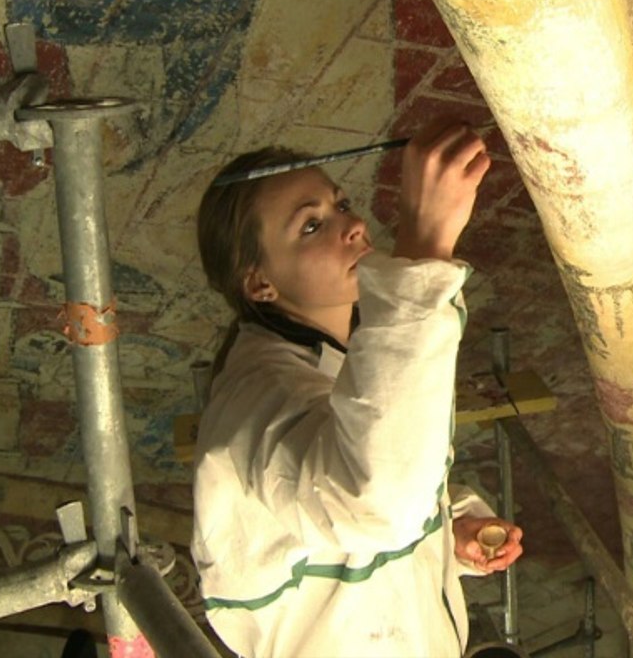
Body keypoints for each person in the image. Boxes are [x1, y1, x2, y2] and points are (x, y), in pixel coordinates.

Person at [190, 119, 523, 657]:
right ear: (259, 282)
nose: (351, 225)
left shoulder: (349, 352)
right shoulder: (255, 397)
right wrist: (424, 249)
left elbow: (366, 485)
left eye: (340, 204)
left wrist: (452, 527)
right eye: (310, 226)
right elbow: (374, 504)